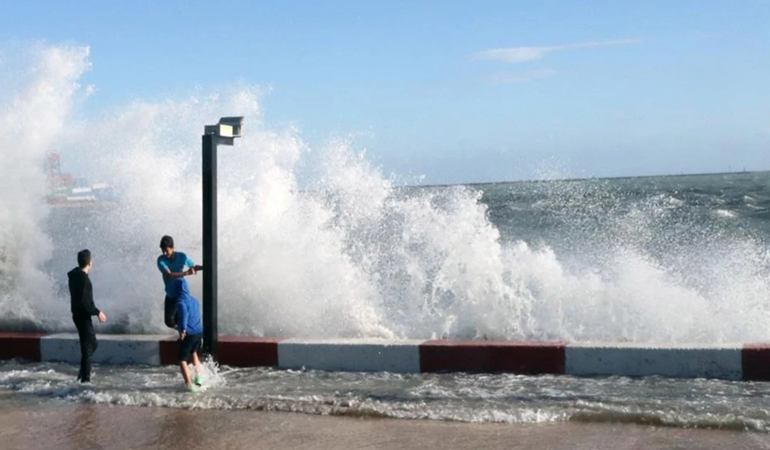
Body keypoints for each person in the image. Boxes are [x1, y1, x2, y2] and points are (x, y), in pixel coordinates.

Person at [67, 249, 107, 383]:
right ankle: (85, 380)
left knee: (91, 345)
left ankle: (83, 373)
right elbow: (85, 302)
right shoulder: (85, 281)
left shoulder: (74, 275)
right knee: (89, 346)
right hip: (83, 316)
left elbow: (73, 271)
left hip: (76, 315)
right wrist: (98, 312)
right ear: (90, 263)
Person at [157, 235, 198, 329]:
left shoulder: (182, 256)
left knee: (182, 319)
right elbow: (169, 275)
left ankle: (187, 334)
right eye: (162, 251)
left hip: (181, 293)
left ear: (173, 248)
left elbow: (193, 266)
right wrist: (187, 273)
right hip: (170, 294)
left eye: (166, 250)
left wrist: (198, 268)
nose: (164, 253)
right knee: (169, 322)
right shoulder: (161, 260)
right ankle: (183, 332)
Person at [173, 278, 204, 392]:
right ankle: (199, 379)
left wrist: (183, 329)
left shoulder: (181, 301)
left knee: (182, 359)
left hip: (189, 333)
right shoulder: (194, 300)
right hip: (199, 331)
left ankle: (189, 385)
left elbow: (184, 315)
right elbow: (195, 315)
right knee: (194, 352)